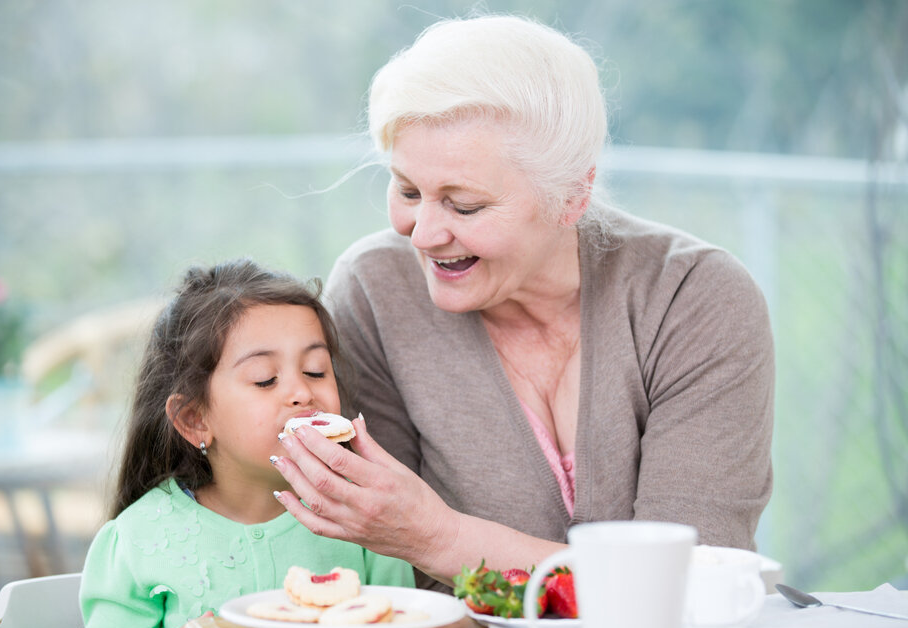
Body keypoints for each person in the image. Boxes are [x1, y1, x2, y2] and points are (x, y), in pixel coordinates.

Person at [270, 14, 774, 592]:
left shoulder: (694, 300)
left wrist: (441, 538)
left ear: (571, 196)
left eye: (464, 206)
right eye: (408, 190)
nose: (424, 233)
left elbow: (687, 584)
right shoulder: (374, 291)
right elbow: (383, 575)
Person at [70, 259, 413, 628]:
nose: (302, 392)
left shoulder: (367, 520)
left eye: (316, 370)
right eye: (265, 379)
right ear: (195, 419)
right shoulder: (136, 538)